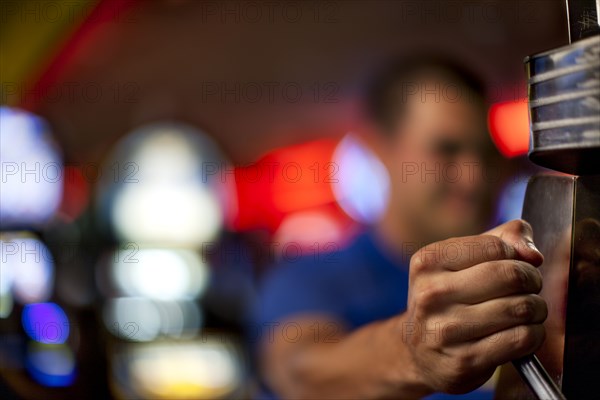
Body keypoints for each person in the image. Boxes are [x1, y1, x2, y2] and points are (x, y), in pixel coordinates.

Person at [252, 56, 547, 399]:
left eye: (485, 153)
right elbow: (301, 372)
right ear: (380, 149)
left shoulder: (524, 270)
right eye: (446, 151)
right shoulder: (307, 278)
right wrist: (413, 354)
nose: (474, 178)